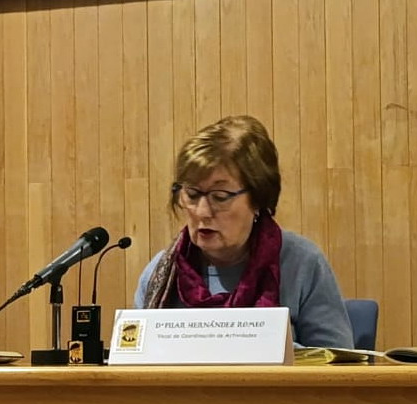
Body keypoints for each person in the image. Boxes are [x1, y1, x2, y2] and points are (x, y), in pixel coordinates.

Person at [134, 115, 354, 348]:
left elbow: (339, 364)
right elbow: (134, 361)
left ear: (258, 199)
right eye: (192, 194)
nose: (202, 211)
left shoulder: (302, 263)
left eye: (220, 197)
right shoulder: (161, 272)